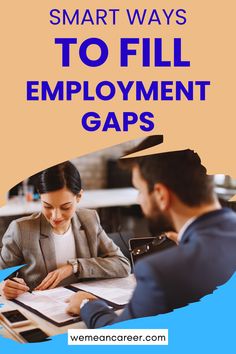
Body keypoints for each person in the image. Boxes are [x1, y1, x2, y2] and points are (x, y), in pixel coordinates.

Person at [66, 143, 236, 328]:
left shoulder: (159, 273)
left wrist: (87, 305)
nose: (139, 199)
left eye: (140, 190)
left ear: (161, 195)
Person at [0, 161, 130, 299]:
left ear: (79, 197)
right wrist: (3, 286)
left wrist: (75, 267)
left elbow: (122, 265)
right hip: (41, 310)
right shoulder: (21, 229)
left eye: (65, 207)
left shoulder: (89, 220)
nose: (56, 216)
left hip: (82, 308)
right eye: (47, 206)